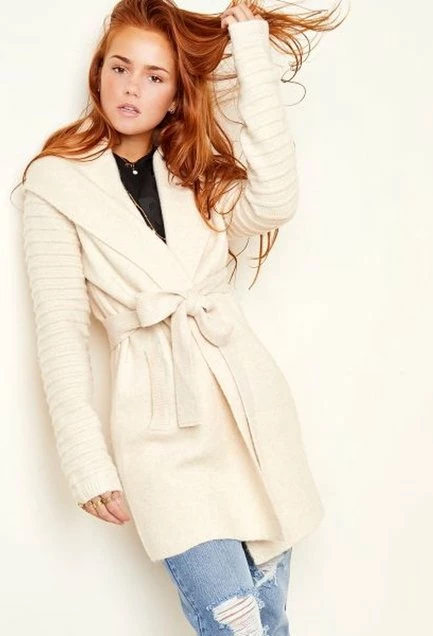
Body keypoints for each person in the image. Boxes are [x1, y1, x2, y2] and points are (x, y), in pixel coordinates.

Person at [12, 0, 346, 633]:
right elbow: (59, 332)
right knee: (235, 623)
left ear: (175, 95)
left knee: (270, 619)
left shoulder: (197, 172)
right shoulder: (56, 184)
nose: (131, 87)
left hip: (247, 409)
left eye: (154, 75)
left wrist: (249, 50)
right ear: (98, 72)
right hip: (159, 425)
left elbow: (276, 197)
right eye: (119, 67)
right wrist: (85, 459)